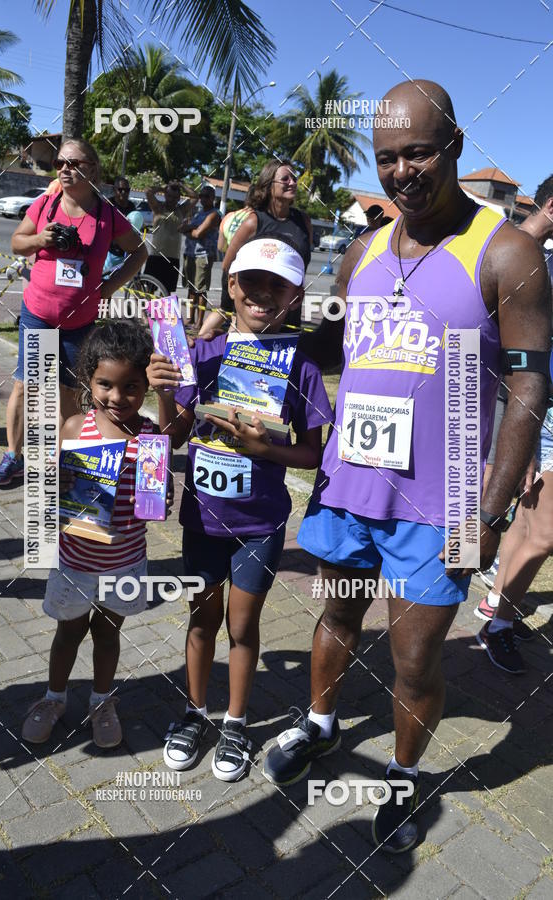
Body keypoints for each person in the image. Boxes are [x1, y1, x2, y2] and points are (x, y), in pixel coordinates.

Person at [262, 80, 551, 852]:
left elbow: (529, 384)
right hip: (348, 486)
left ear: (454, 146)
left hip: (442, 503)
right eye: (387, 158)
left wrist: (488, 512)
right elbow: (328, 348)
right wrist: (251, 349)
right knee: (336, 616)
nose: (401, 172)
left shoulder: (507, 251)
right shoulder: (363, 250)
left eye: (418, 153)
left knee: (415, 658)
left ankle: (402, 775)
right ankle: (321, 723)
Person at [147, 236, 332, 781]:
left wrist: (265, 450)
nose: (262, 293)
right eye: (251, 281)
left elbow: (314, 452)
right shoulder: (201, 355)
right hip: (202, 518)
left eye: (279, 285)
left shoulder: (302, 367)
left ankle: (235, 722)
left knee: (242, 626)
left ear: (296, 297)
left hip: (261, 523)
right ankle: (194, 713)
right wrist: (163, 391)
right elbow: (172, 436)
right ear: (231, 286)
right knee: (201, 619)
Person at [21, 319, 164, 748]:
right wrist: (55, 481)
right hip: (75, 563)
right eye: (105, 384)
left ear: (146, 386)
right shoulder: (72, 428)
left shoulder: (150, 437)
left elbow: (154, 505)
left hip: (124, 562)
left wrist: (159, 496)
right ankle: (53, 698)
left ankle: (101, 700)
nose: (117, 397)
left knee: (107, 633)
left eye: (131, 387)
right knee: (68, 633)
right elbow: (44, 491)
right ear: (88, 379)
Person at [0, 140, 148, 487]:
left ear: (92, 169)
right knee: (27, 386)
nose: (64, 168)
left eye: (73, 163)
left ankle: (64, 461)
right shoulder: (46, 205)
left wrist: (109, 287)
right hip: (38, 314)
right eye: (60, 162)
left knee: (71, 392)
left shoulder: (108, 215)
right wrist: (39, 240)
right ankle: (13, 456)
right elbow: (16, 242)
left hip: (80, 321)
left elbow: (139, 252)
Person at [475, 174, 553, 673]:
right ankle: (467, 606)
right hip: (501, 400)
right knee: (483, 502)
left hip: (534, 401)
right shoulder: (509, 250)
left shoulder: (541, 256)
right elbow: (505, 349)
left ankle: (494, 608)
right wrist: (519, 436)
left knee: (528, 519)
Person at [199, 160, 313, 337]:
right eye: (285, 179)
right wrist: (240, 304)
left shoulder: (303, 221)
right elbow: (228, 264)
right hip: (257, 310)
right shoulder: (254, 221)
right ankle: (200, 341)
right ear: (269, 185)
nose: (292, 182)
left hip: (288, 308)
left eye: (294, 178)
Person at [144, 180, 198, 291]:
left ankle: (163, 305)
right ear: (165, 195)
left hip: (173, 258)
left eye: (175, 197)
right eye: (169, 196)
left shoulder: (181, 210)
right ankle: (147, 304)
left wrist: (182, 185)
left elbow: (195, 197)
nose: (171, 199)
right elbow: (148, 191)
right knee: (149, 291)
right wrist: (163, 188)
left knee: (167, 293)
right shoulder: (158, 208)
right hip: (156, 256)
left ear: (179, 198)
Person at [180, 185, 221, 331]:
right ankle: (190, 318)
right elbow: (183, 228)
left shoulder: (214, 214)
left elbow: (198, 233)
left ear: (213, 198)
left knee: (200, 290)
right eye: (201, 196)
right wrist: (192, 229)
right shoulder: (198, 214)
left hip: (203, 255)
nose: (203, 199)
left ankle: (199, 322)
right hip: (190, 254)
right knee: (191, 288)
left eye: (206, 196)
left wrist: (189, 229)